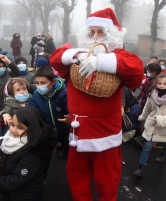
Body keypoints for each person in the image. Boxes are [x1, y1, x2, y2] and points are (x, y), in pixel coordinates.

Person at [50, 8, 144, 200]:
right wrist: (76, 55)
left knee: (107, 182)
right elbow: (56, 59)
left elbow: (136, 73)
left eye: (101, 32)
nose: (95, 37)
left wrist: (102, 61)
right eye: (91, 32)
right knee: (76, 178)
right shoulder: (76, 57)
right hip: (78, 133)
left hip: (105, 135)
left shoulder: (118, 55)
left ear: (112, 35)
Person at [0, 107, 57, 200]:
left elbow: (15, 181)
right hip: (13, 193)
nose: (13, 130)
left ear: (32, 129)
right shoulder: (11, 141)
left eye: (20, 127)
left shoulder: (32, 153)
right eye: (12, 125)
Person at [133, 74, 166, 177]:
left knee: (165, 143)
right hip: (152, 125)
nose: (161, 86)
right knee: (147, 146)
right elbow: (148, 107)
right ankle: (140, 168)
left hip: (165, 127)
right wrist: (142, 117)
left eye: (165, 84)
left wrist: (160, 120)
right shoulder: (152, 95)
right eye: (159, 83)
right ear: (156, 84)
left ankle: (164, 154)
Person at [29, 66, 70, 159]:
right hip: (47, 131)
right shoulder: (36, 95)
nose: (39, 86)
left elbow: (71, 109)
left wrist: (69, 117)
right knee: (45, 157)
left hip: (64, 130)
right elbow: (31, 110)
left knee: (70, 155)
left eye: (43, 83)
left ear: (53, 82)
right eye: (37, 83)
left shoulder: (64, 93)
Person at [0, 54, 20, 140]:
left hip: (9, 109)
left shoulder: (9, 74)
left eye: (1, 66)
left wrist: (8, 62)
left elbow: (17, 71)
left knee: (8, 132)